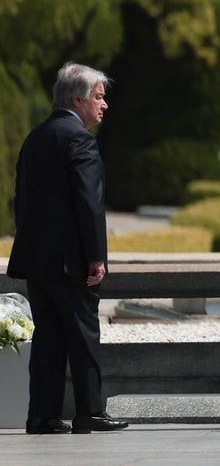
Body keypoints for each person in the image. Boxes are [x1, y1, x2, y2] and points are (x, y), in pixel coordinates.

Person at [8, 63, 127, 435]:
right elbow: (88, 203)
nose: (104, 104)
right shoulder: (79, 140)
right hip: (70, 261)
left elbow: (21, 201)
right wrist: (96, 257)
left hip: (38, 260)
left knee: (48, 338)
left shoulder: (36, 137)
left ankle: (42, 416)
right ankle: (90, 411)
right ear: (78, 99)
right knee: (84, 335)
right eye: (99, 97)